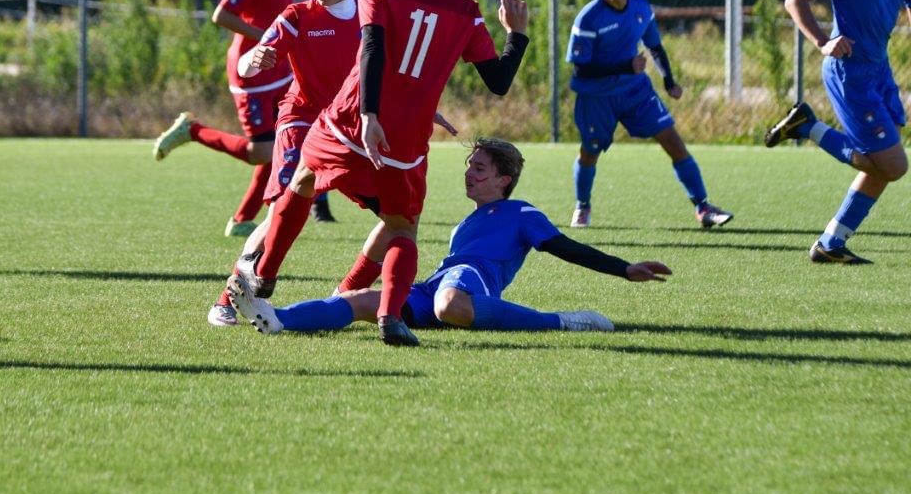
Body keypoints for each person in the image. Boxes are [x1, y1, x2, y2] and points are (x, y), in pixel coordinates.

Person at [234, 0, 530, 347]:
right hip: (406, 141)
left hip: (350, 121)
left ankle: (265, 275)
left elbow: (372, 48)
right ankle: (391, 318)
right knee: (401, 227)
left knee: (303, 179)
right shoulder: (466, 12)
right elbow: (499, 82)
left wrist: (369, 114)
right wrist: (516, 35)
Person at [227, 137, 672, 336]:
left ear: (505, 179)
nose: (469, 175)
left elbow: (563, 247)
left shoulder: (522, 212)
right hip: (437, 285)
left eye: (479, 169)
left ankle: (563, 320)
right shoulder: (464, 224)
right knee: (364, 301)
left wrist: (624, 269)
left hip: (467, 284)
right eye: (468, 167)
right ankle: (277, 317)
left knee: (449, 304)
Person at [206, 0, 362, 325]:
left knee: (395, 215)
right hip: (300, 120)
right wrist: (253, 60)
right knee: (282, 207)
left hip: (346, 128)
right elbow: (246, 67)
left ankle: (347, 297)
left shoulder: (371, 17)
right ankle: (228, 297)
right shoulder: (297, 16)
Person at [765, 0, 911, 264]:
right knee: (894, 165)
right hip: (849, 73)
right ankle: (807, 126)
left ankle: (831, 244)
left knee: (882, 165)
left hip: (879, 72)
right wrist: (823, 41)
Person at [153, 0, 301, 238]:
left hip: (280, 70)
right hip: (250, 75)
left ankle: (242, 219)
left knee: (280, 144)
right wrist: (267, 39)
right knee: (260, 152)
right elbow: (221, 15)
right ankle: (192, 130)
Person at [565, 0, 733, 230]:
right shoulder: (589, 18)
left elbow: (654, 46)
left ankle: (703, 207)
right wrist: (624, 67)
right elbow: (581, 68)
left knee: (673, 141)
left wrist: (669, 80)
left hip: (635, 92)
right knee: (589, 152)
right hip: (596, 96)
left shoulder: (641, 9)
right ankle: (583, 206)